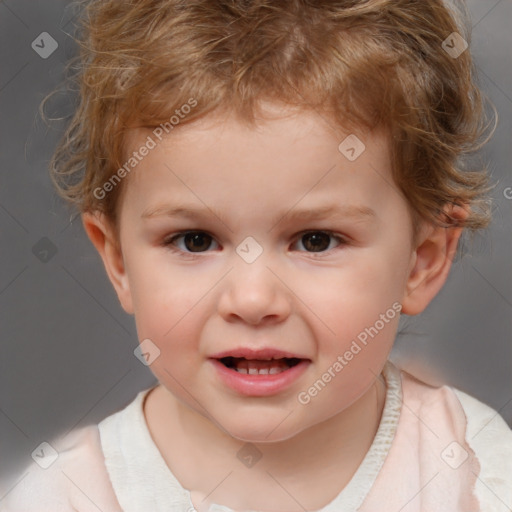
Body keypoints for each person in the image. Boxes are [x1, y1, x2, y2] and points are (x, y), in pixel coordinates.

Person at [2, 0, 511, 511]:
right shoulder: (64, 497)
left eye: (316, 240)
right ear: (119, 262)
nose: (251, 299)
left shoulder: (477, 475)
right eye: (194, 240)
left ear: (421, 260)